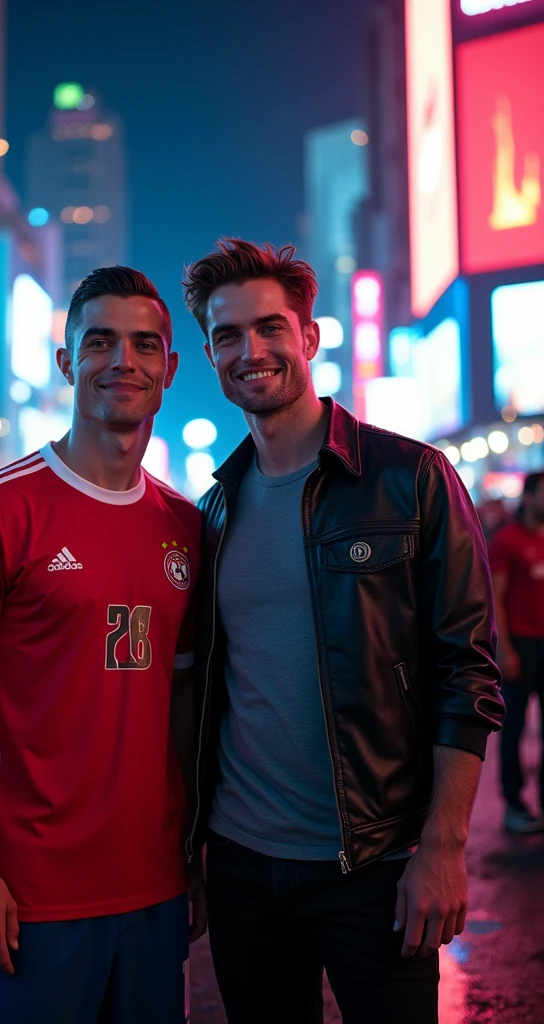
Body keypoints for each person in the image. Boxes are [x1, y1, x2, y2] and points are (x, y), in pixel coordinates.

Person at [181, 239, 505, 1024]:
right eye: (227, 336)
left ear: (310, 336)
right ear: (210, 353)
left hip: (377, 862)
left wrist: (443, 847)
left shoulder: (412, 477)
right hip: (244, 866)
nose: (249, 352)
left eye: (269, 328)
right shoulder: (214, 508)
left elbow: (466, 672)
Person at [0, 267, 206, 1024]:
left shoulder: (186, 525)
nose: (123, 361)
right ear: (67, 360)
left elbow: (180, 703)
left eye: (145, 345)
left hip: (155, 890)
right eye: (100, 341)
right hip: (26, 896)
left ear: (169, 368)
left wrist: (194, 853)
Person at [489, 471, 544, 832]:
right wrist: (504, 648)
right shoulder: (506, 541)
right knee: (515, 727)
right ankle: (514, 803)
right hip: (520, 646)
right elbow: (495, 599)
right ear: (528, 497)